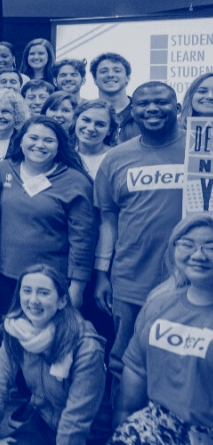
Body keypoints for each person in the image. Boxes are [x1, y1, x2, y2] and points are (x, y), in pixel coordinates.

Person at [94, 81, 184, 398]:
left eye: (160, 102)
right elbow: (108, 221)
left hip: (190, 281)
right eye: (143, 104)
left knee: (182, 362)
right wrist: (102, 273)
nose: (151, 109)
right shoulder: (116, 159)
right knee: (122, 361)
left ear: (178, 108)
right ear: (133, 112)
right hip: (130, 279)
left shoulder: (201, 153)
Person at [112, 214, 213, 444]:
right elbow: (135, 374)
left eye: (210, 246)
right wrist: (122, 427)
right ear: (174, 248)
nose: (198, 255)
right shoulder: (157, 304)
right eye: (187, 244)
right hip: (156, 425)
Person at [0, 264, 108, 445]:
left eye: (43, 293)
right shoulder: (16, 331)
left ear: (62, 301)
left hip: (86, 434)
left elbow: (76, 420)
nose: (33, 300)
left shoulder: (85, 346)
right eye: (27, 291)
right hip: (44, 422)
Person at [0, 116, 96, 321]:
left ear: (59, 145)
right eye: (33, 138)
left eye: (48, 140)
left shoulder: (76, 182)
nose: (39, 145)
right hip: (5, 278)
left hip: (50, 283)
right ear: (21, 140)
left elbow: (83, 240)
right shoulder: (3, 169)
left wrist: (77, 287)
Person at [90, 53, 138, 143]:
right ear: (95, 79)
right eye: (103, 71)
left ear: (127, 78)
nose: (110, 75)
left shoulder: (141, 112)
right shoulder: (86, 114)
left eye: (117, 71)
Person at [72, 99, 118, 180]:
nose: (91, 128)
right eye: (86, 120)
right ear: (76, 120)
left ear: (109, 131)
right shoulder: (65, 156)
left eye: (100, 124)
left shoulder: (117, 158)